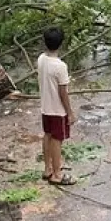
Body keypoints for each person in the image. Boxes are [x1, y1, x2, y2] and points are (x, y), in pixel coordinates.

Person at [37, 27, 77, 186]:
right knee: (57, 140)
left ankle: (48, 169)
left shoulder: (41, 59)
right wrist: (70, 113)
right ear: (61, 43)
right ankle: (57, 174)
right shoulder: (60, 66)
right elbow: (63, 92)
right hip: (57, 110)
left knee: (47, 135)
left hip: (45, 107)